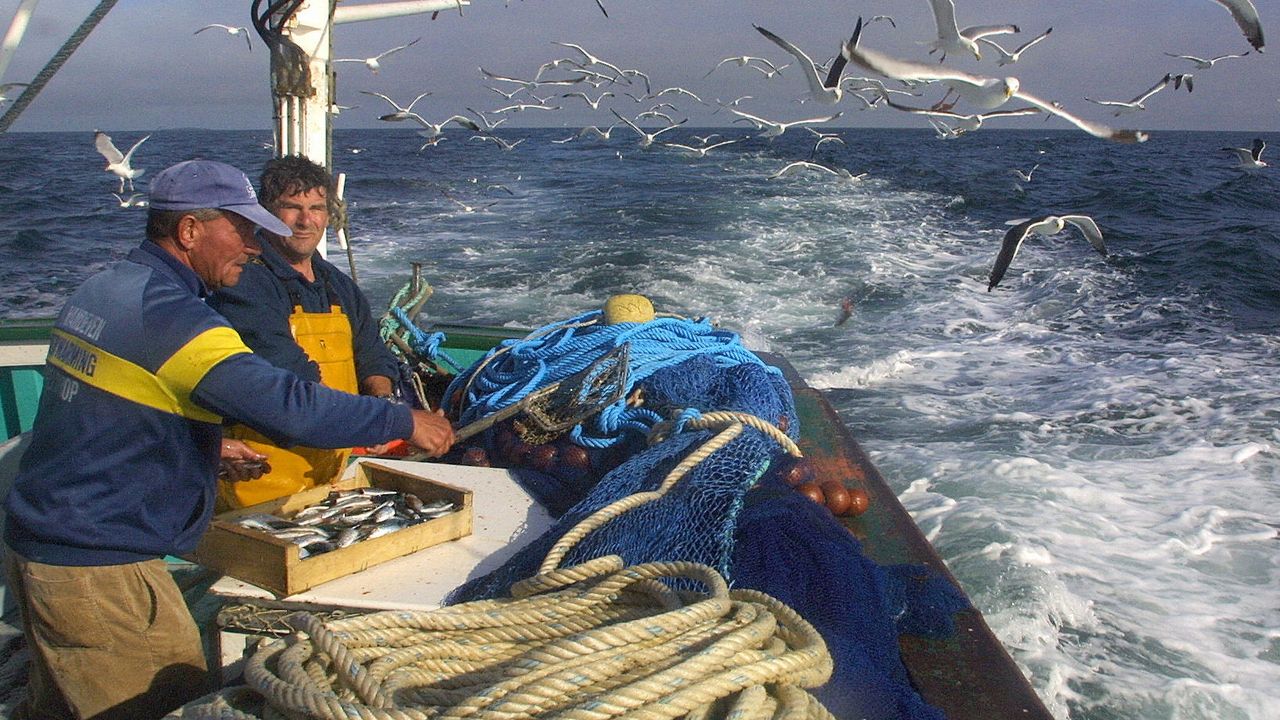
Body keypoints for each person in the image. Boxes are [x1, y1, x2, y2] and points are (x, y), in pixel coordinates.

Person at [2, 159, 455, 719]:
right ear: (190, 231)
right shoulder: (173, 318)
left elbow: (106, 406)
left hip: (46, 540)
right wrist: (404, 420)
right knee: (166, 703)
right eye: (241, 229)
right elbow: (291, 407)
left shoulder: (107, 287)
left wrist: (204, 447)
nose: (255, 245)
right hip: (100, 566)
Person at [208, 155, 403, 508]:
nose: (305, 220)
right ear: (265, 212)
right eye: (291, 207)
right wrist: (380, 421)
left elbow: (373, 354)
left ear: (329, 215)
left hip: (328, 475)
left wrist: (381, 399)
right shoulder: (245, 282)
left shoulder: (339, 286)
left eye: (316, 207)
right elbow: (290, 377)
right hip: (255, 486)